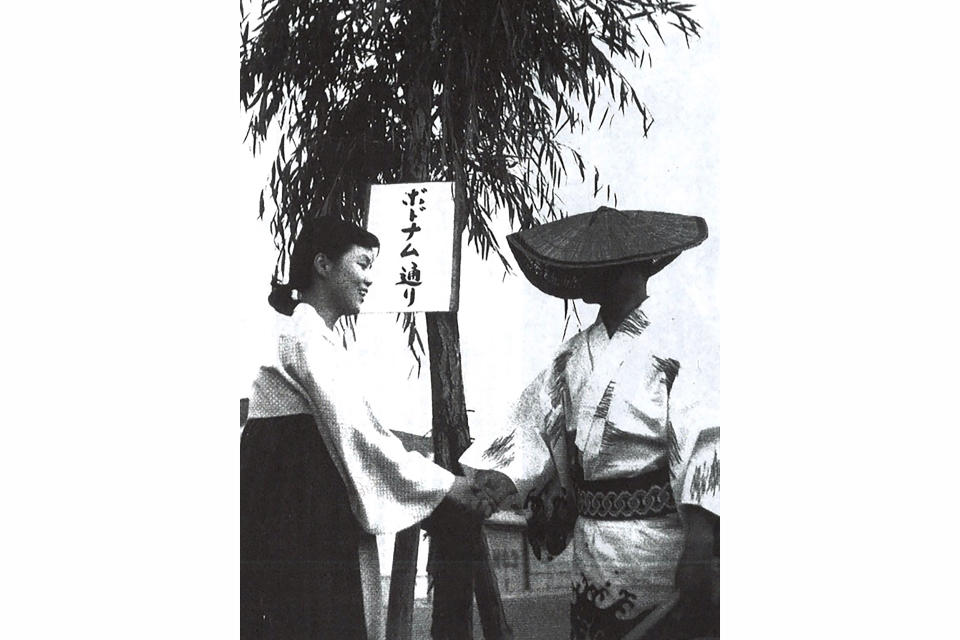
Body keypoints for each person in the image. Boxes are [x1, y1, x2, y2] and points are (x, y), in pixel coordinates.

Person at [460, 206, 720, 639]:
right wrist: (493, 484)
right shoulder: (568, 359)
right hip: (593, 549)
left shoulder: (679, 341)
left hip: (661, 547)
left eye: (594, 265)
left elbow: (708, 445)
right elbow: (531, 432)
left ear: (627, 269)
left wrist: (699, 548)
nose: (581, 277)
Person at [240, 216, 493, 640]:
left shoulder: (310, 335)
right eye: (362, 264)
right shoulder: (304, 336)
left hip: (295, 515)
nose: (369, 279)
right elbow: (362, 435)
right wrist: (445, 485)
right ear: (323, 264)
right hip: (297, 520)